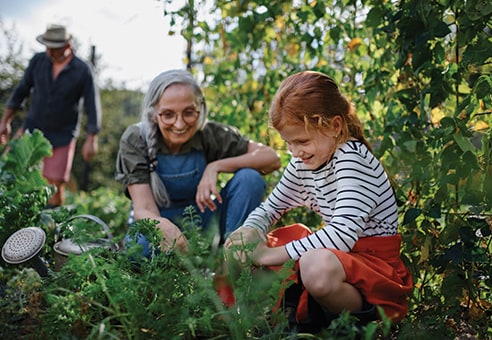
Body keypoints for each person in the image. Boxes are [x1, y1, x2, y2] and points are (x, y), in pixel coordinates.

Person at [225, 71, 413, 328]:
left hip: (373, 267)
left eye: (301, 141)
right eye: (288, 143)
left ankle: (356, 324)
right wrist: (251, 230)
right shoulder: (304, 161)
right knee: (239, 241)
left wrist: (267, 256)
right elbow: (271, 208)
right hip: (340, 257)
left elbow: (342, 235)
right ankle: (260, 318)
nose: (295, 152)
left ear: (335, 126)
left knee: (315, 265)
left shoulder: (351, 158)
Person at [115, 69, 281, 257]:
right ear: (154, 113)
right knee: (142, 249)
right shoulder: (136, 138)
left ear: (200, 109)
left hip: (203, 221)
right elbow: (144, 209)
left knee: (249, 178)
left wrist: (216, 167)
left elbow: (271, 158)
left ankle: (234, 257)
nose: (179, 124)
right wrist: (169, 233)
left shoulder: (209, 134)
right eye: (168, 115)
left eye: (189, 113)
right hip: (156, 221)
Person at [0, 24, 102, 207]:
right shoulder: (39, 61)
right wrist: (5, 120)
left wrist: (91, 138)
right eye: (47, 46)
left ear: (67, 46)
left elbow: (92, 105)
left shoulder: (82, 70)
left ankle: (51, 227)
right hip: (33, 128)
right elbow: (21, 90)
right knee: (9, 170)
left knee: (54, 185)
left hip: (62, 134)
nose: (49, 51)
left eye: (54, 48)